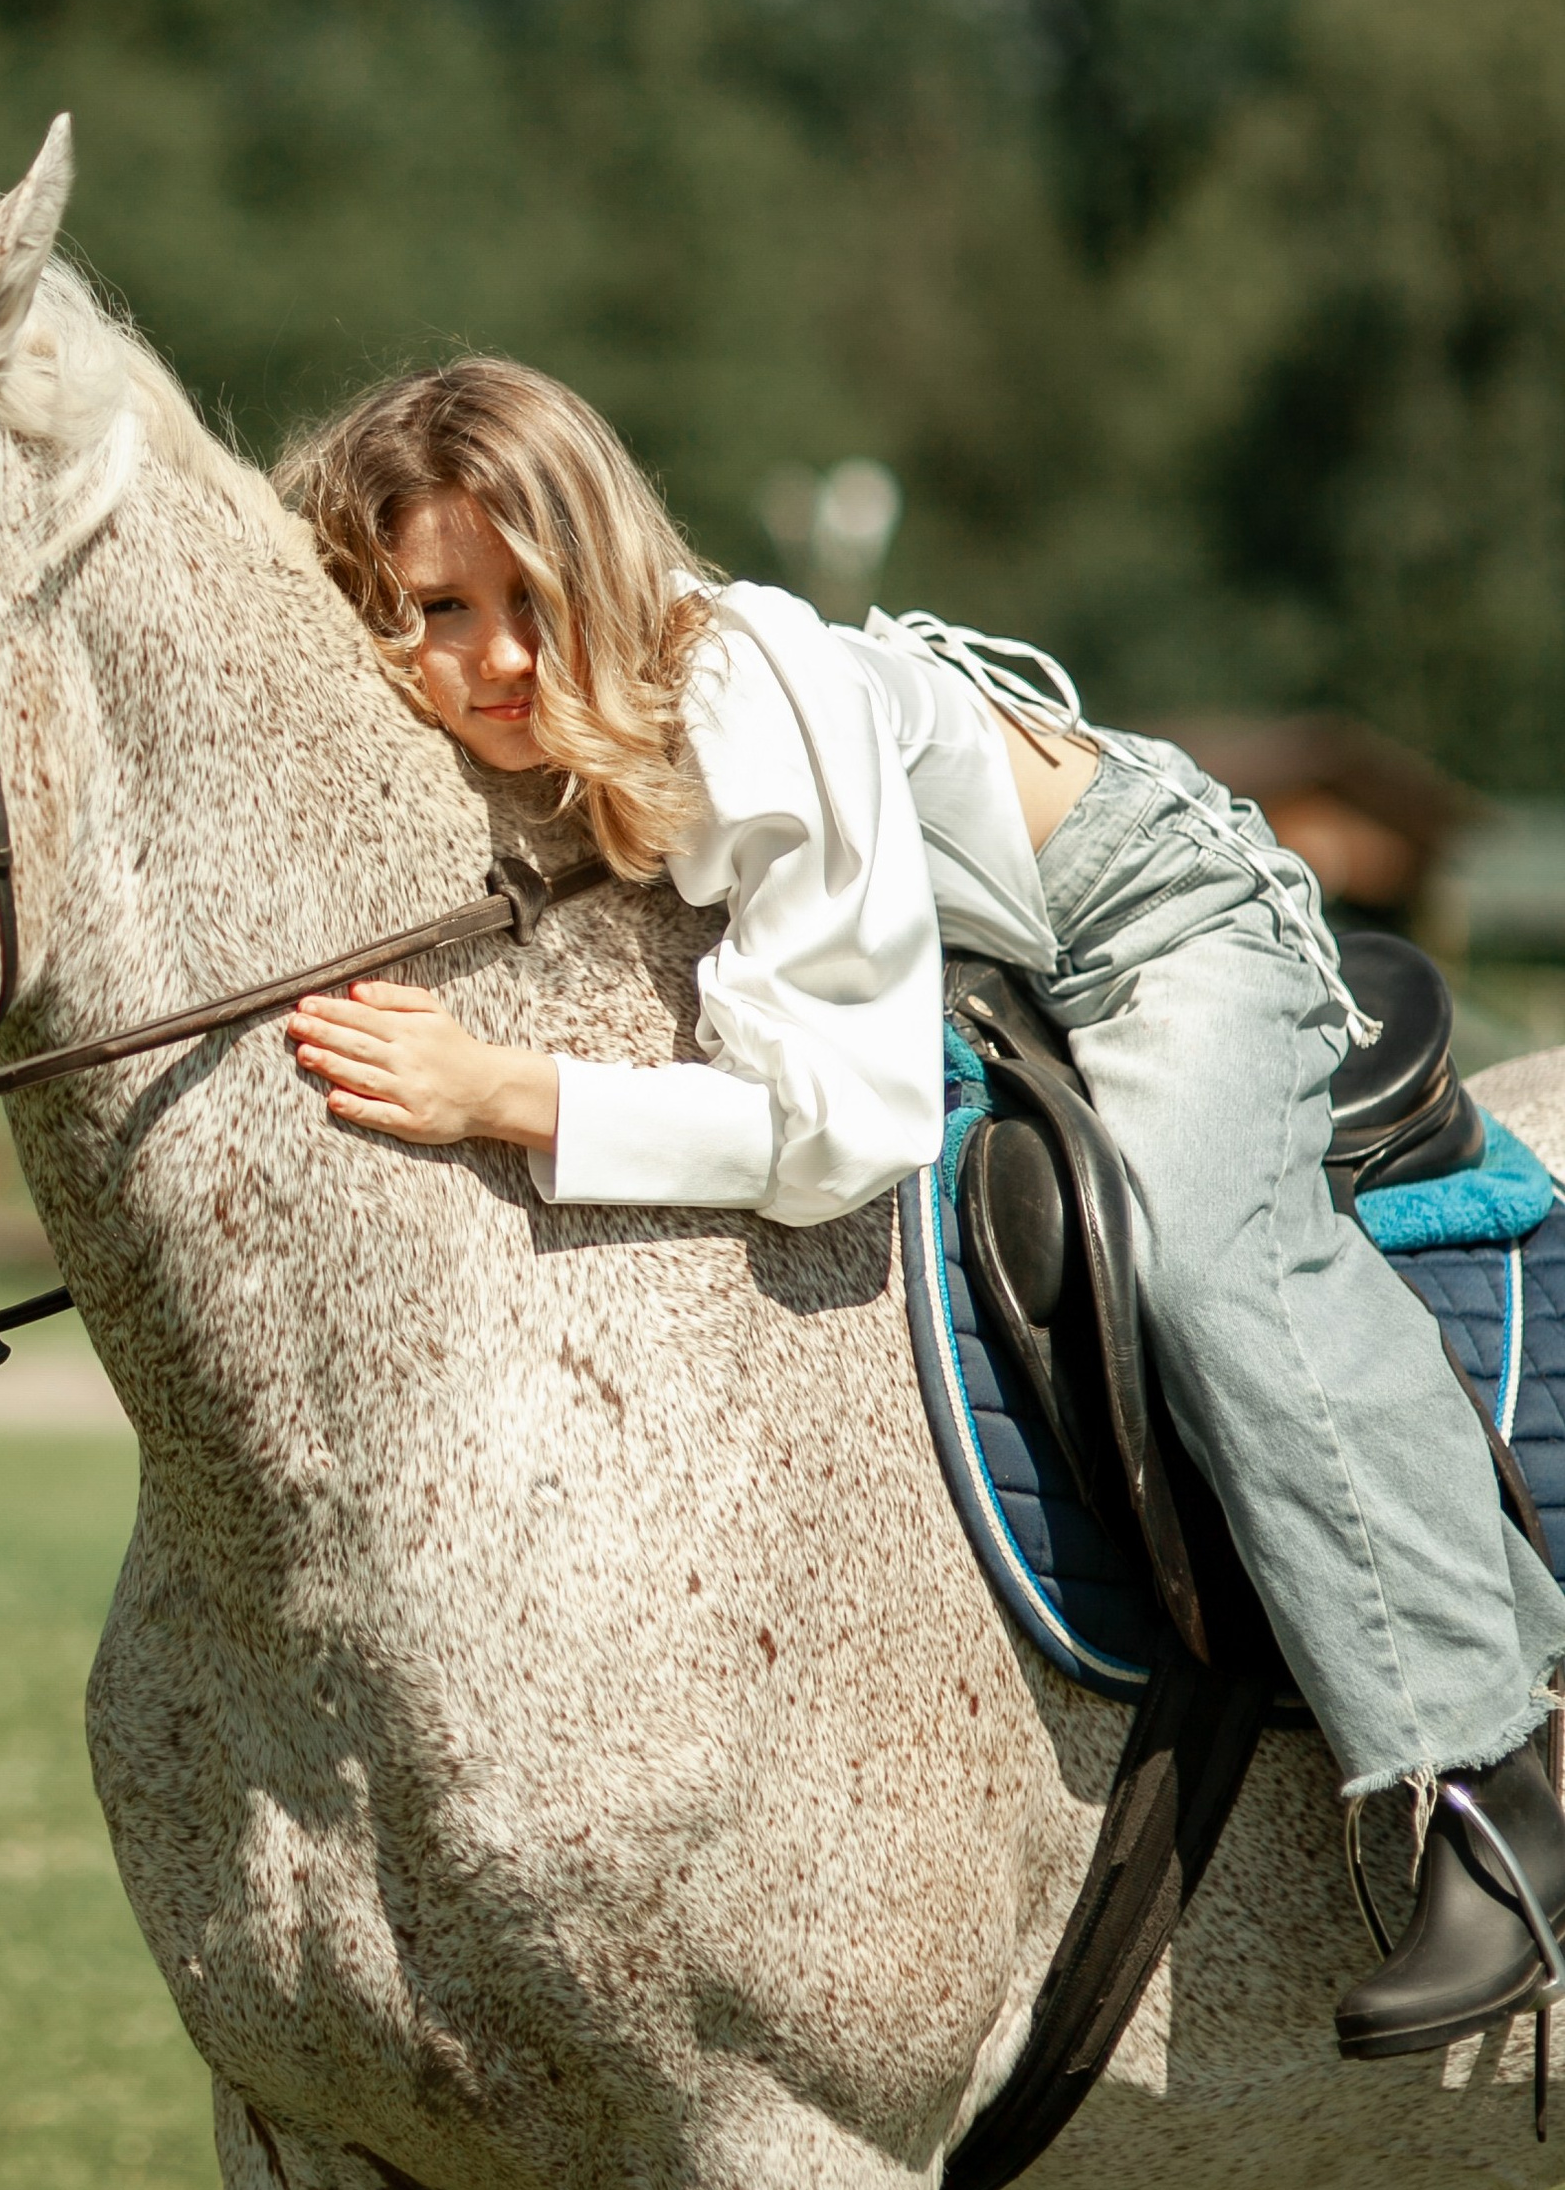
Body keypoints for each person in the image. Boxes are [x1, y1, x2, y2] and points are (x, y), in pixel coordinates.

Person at [276, 357, 1565, 2062]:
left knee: (1197, 1257)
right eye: (442, 608)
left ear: (609, 566)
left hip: (1144, 919)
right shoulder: (535, 715)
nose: (501, 657)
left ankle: (1491, 1785)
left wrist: (502, 1091)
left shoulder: (740, 701)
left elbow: (847, 1127)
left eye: (537, 598)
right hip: (979, 958)